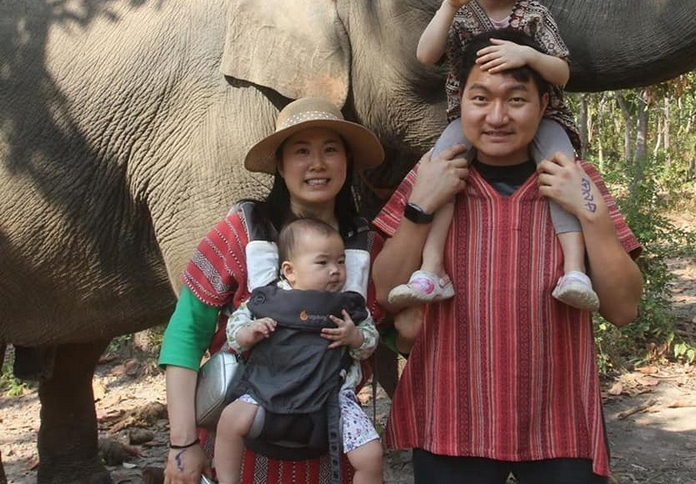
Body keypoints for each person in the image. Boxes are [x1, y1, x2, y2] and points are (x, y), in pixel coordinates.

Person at [372, 30, 643, 484]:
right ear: (460, 104)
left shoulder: (575, 178)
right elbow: (384, 292)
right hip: (450, 420)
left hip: (561, 423)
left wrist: (589, 212)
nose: (496, 116)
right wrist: (420, 209)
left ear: (542, 105)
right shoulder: (431, 175)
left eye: (516, 99)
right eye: (480, 98)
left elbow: (623, 308)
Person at [160, 96, 386, 484]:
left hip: (331, 446)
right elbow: (187, 332)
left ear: (347, 163)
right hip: (243, 441)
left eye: (330, 150)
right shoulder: (241, 232)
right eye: (302, 152)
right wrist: (182, 444)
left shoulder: (367, 246)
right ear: (280, 165)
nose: (317, 164)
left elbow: (394, 331)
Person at [388, 0, 599, 313]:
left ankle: (575, 269)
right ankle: (432, 270)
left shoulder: (534, 15)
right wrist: (450, 4)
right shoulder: (460, 13)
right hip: (468, 123)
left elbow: (562, 72)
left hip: (542, 118)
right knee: (440, 167)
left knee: (563, 170)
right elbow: (426, 53)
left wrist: (527, 54)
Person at [214, 218, 383, 484]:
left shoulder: (348, 305)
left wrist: (355, 337)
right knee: (229, 421)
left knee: (371, 455)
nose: (335, 270)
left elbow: (369, 344)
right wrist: (250, 332)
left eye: (340, 261)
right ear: (289, 271)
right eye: (322, 262)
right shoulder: (269, 299)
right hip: (268, 390)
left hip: (333, 398)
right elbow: (235, 332)